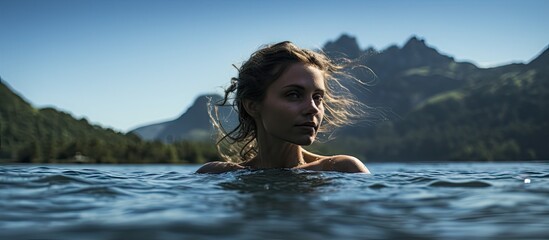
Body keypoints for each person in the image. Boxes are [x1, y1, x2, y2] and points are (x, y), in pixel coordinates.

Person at [196, 41, 370, 174]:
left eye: (318, 97)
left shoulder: (343, 169)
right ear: (252, 105)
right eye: (293, 95)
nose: (313, 108)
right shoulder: (215, 174)